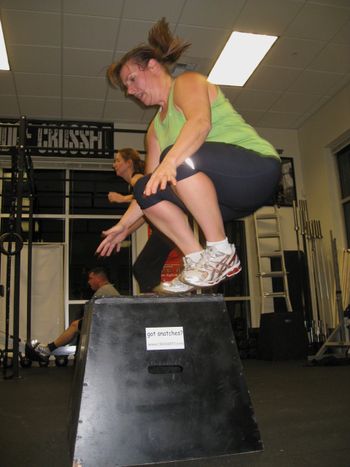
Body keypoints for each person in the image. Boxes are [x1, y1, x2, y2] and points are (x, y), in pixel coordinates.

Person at [96, 18, 281, 293]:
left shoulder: (187, 82)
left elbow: (199, 124)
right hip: (224, 199)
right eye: (126, 87)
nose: (130, 90)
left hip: (255, 169)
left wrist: (169, 162)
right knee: (144, 188)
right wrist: (125, 225)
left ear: (153, 66)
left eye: (132, 79)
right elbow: (150, 187)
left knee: (175, 156)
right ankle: (197, 259)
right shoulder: (154, 130)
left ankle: (220, 251)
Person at [108, 147, 175, 293]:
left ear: (129, 163)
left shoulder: (136, 178)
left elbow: (147, 192)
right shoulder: (135, 181)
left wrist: (122, 199)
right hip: (166, 229)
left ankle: (156, 305)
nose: (114, 164)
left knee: (142, 268)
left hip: (167, 227)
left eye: (118, 160)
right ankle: (160, 301)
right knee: (146, 269)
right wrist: (125, 232)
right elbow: (144, 214)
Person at [26, 267, 119, 360]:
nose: (88, 282)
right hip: (107, 327)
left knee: (75, 325)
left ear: (98, 278)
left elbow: (95, 315)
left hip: (108, 329)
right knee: (79, 324)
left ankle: (48, 349)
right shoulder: (108, 289)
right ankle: (50, 348)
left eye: (90, 278)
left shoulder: (104, 291)